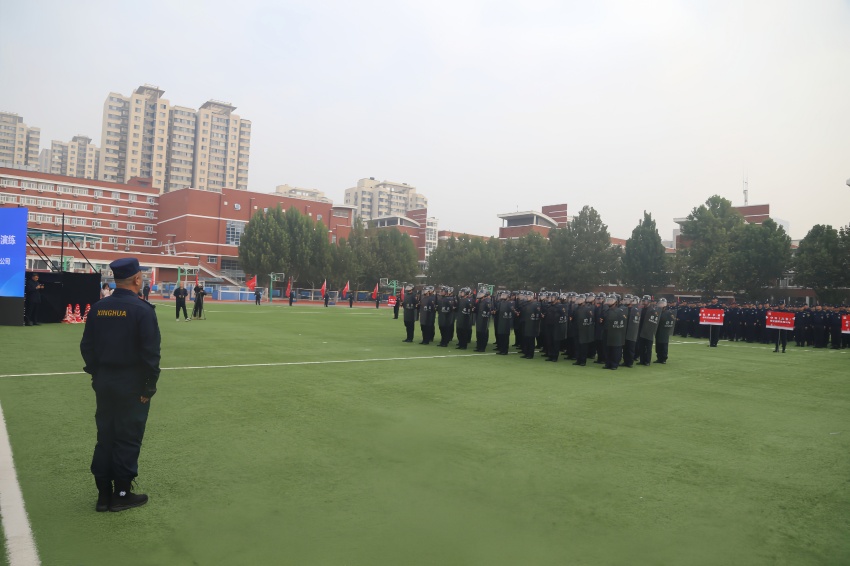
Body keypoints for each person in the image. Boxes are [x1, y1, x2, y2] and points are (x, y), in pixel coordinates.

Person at [80, 257, 161, 512]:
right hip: (132, 384)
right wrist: (149, 386)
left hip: (104, 381)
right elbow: (151, 354)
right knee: (128, 437)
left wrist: (97, 375)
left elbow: (87, 347)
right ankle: (122, 494)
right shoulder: (142, 310)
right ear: (137, 279)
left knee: (105, 436)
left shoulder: (98, 308)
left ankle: (103, 496)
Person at [654, 298, 676, 363]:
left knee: (664, 344)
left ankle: (663, 358)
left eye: (662, 303)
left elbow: (672, 320)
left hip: (665, 330)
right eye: (660, 303)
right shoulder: (657, 312)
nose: (660, 305)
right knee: (658, 344)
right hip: (658, 330)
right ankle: (659, 357)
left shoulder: (668, 312)